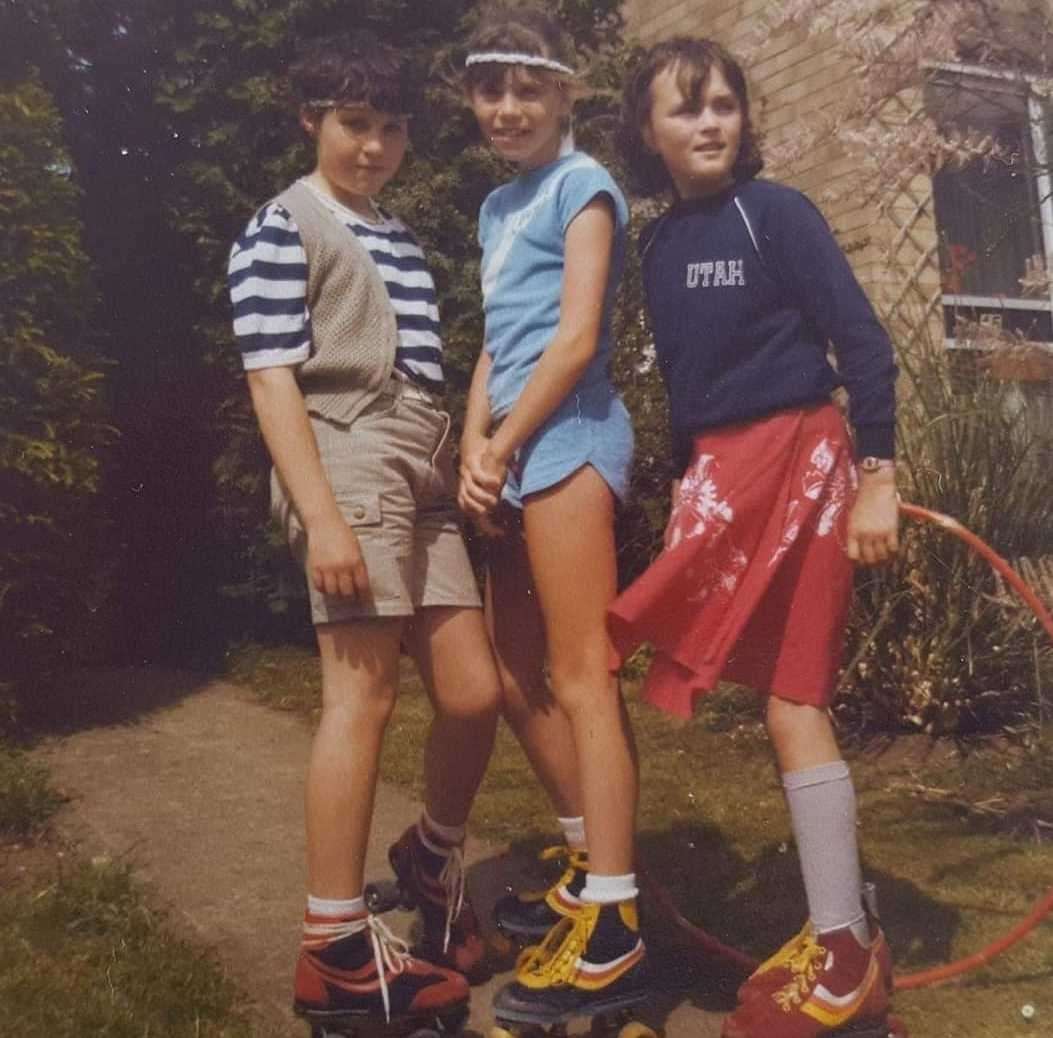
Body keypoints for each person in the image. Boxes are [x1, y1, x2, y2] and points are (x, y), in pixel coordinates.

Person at [612, 36, 900, 1038]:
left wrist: (879, 479)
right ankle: (847, 933)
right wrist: (693, 481)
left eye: (725, 104)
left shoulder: (776, 215)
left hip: (807, 462)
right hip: (723, 479)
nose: (710, 123)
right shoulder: (655, 246)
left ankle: (847, 953)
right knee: (694, 672)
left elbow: (862, 343)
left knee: (793, 700)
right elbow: (691, 390)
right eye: (686, 109)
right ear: (648, 132)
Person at [226, 31, 501, 1030]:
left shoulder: (396, 233)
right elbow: (271, 379)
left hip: (420, 467)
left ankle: (429, 856)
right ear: (311, 120)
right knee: (364, 696)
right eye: (353, 124)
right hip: (345, 459)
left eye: (389, 128)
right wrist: (321, 514)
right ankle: (334, 949)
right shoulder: (281, 225)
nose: (372, 146)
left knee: (475, 691)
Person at [456, 3, 648, 1024]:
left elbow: (572, 341)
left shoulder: (585, 186)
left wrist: (507, 443)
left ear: (563, 94)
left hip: (569, 441)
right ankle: (588, 861)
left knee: (582, 676)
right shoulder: (495, 208)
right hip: (512, 450)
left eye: (528, 86)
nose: (508, 105)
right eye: (490, 88)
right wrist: (473, 442)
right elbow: (501, 339)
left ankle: (616, 923)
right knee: (514, 670)